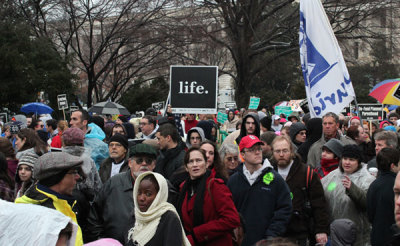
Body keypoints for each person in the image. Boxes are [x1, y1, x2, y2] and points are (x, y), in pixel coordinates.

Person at [87, 144, 161, 243]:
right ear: (130, 163)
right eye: (139, 160)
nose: (144, 164)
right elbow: (94, 217)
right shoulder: (113, 184)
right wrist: (103, 241)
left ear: (154, 165)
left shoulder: (163, 187)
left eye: (148, 161)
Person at [228, 135, 292, 246]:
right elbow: (228, 210)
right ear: (242, 154)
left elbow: (285, 209)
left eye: (259, 149)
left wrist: (271, 236)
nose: (257, 152)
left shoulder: (275, 179)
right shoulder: (234, 180)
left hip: (267, 241)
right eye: (252, 150)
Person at [15, 152, 85, 245]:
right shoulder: (42, 213)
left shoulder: (62, 203)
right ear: (57, 177)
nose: (78, 177)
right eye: (73, 172)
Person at [270, 136, 329, 245]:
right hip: (274, 232)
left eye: (285, 151)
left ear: (291, 151)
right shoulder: (268, 172)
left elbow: (319, 203)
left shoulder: (307, 173)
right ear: (272, 152)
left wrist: (321, 229)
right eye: (277, 151)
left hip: (299, 232)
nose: (281, 154)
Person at [177, 147, 240, 245]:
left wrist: (197, 234)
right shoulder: (183, 188)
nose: (195, 165)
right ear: (186, 167)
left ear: (206, 164)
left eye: (198, 160)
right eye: (191, 161)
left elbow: (232, 219)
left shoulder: (215, 186)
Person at [322, 145, 375, 246]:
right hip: (335, 233)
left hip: (358, 236)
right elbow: (326, 192)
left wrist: (353, 189)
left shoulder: (367, 179)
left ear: (358, 161)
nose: (347, 162)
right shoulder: (333, 176)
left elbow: (367, 203)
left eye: (351, 159)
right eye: (345, 158)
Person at [126, 172, 190, 246]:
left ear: (159, 195)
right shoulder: (135, 216)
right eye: (139, 193)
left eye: (148, 194)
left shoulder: (169, 218)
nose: (141, 198)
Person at [367, 148, 400, 246]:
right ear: (393, 166)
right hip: (394, 237)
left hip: (377, 236)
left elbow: (370, 214)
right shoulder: (396, 186)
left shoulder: (373, 185)